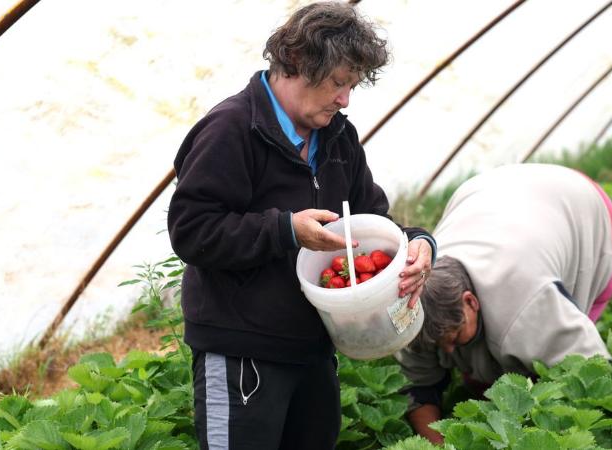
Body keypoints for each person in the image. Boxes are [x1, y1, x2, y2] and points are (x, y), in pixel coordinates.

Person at [167, 3, 436, 448]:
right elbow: (192, 229)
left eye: (352, 85)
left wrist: (418, 244)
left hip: (312, 350)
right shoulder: (231, 130)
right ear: (296, 61)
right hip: (242, 353)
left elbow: (371, 219)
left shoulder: (338, 138)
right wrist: (286, 230)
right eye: (338, 82)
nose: (345, 99)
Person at [395, 163, 612, 444]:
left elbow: (592, 369)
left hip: (579, 204)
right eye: (439, 344)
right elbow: (418, 389)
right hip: (485, 195)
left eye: (452, 337)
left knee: (557, 370)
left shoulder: (529, 299)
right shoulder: (411, 299)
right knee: (486, 384)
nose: (448, 350)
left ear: (470, 302)